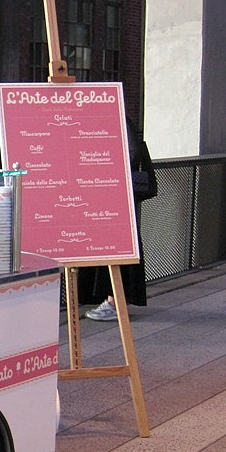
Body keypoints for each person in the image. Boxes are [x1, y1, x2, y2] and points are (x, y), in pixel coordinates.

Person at [81, 118, 156, 321]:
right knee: (108, 243)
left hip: (115, 191)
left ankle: (115, 302)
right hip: (103, 189)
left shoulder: (118, 117)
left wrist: (107, 170)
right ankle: (113, 301)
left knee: (118, 243)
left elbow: (132, 152)